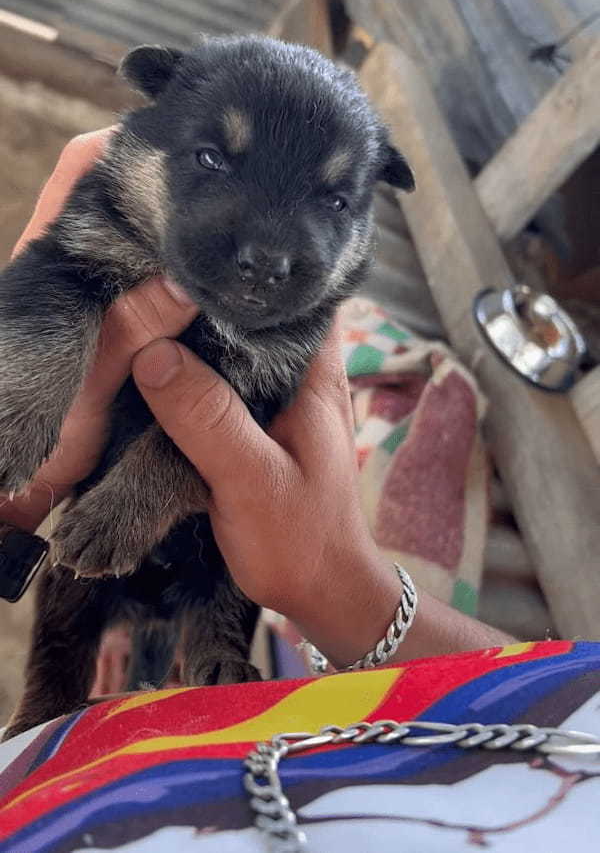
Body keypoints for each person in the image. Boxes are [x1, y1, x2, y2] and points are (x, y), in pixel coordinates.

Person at [0, 130, 598, 852]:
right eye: (213, 161)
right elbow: (566, 703)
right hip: (148, 754)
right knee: (88, 605)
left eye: (330, 199)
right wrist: (345, 591)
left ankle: (192, 648)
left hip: (97, 781)